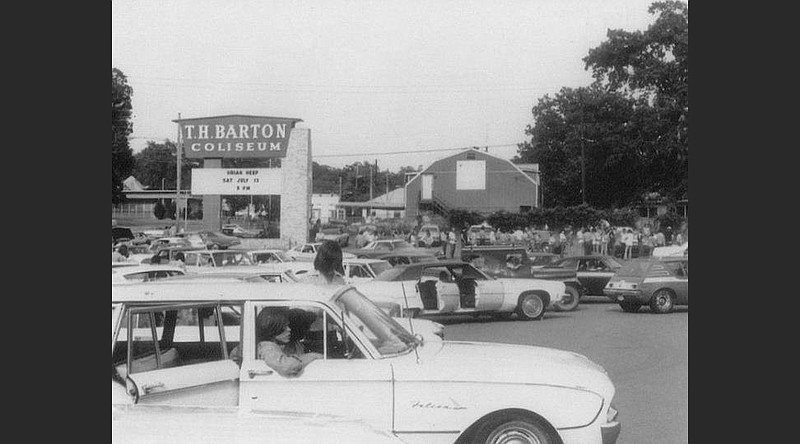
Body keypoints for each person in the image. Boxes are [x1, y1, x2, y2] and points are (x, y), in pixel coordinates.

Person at [256, 308, 323, 377]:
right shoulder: (268, 348)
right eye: (284, 327)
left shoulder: (280, 345)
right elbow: (288, 367)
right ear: (273, 328)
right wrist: (312, 356)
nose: (289, 329)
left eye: (288, 325)